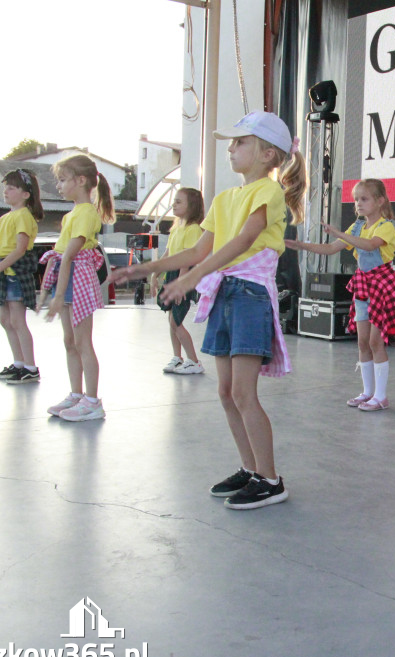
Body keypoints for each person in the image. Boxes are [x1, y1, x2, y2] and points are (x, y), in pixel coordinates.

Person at [113, 111, 308, 510]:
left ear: (268, 154)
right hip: (224, 295)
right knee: (224, 392)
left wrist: (190, 279)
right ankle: (250, 468)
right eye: (231, 142)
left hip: (250, 295)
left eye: (241, 142)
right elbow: (200, 249)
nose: (232, 148)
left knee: (242, 391)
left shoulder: (268, 193)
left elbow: (243, 242)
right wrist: (145, 267)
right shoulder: (224, 198)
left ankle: (271, 480)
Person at [285, 179, 395, 411]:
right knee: (362, 341)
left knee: (375, 341)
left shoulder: (387, 226)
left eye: (364, 199)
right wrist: (300, 245)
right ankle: (368, 392)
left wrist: (339, 232)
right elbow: (330, 249)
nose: (358, 204)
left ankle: (381, 396)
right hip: (363, 283)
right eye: (356, 199)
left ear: (380, 201)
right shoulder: (356, 227)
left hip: (382, 283)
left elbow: (370, 245)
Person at [38, 154, 115, 421]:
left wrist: (57, 296)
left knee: (83, 342)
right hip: (67, 277)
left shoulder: (85, 213)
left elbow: (69, 255)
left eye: (62, 180)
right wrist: (48, 292)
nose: (58, 186)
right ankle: (76, 394)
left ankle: (92, 401)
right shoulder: (73, 213)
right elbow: (59, 255)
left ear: (81, 180)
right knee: (70, 341)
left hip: (78, 279)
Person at [0, 169, 44, 383]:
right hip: (3, 271)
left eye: (12, 187)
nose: (6, 191)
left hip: (15, 272)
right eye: (6, 187)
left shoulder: (24, 216)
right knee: (5, 319)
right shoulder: (6, 217)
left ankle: (31, 367)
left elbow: (20, 249)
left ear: (26, 194)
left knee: (17, 320)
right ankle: (19, 363)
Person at [158, 187, 205, 375]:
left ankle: (194, 361)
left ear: (191, 206)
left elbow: (188, 259)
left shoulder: (193, 229)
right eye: (174, 201)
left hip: (183, 277)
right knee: (171, 318)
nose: (173, 205)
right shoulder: (176, 228)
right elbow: (168, 253)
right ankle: (177, 357)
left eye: (179, 202)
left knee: (176, 321)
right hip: (172, 275)